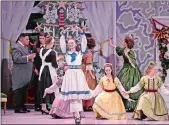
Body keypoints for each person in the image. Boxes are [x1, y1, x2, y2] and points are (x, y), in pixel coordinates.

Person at [59, 27, 92, 124]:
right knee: (73, 96)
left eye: (72, 43)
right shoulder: (66, 52)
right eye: (69, 43)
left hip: (78, 73)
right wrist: (63, 33)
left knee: (78, 95)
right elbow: (62, 44)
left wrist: (82, 33)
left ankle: (77, 112)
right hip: (70, 74)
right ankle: (76, 114)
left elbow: (84, 43)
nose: (70, 44)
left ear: (75, 44)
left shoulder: (80, 52)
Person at [108, 37, 143, 111]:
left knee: (128, 85)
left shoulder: (131, 51)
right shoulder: (124, 49)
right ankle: (122, 105)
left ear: (126, 43)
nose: (122, 42)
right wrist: (111, 44)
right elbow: (119, 49)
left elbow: (133, 62)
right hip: (125, 68)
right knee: (122, 85)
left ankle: (131, 105)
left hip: (131, 70)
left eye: (123, 41)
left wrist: (127, 55)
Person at [12, 33, 35, 113]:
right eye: (27, 39)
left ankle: (22, 106)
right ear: (21, 38)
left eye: (28, 39)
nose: (28, 41)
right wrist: (28, 57)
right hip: (19, 73)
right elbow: (16, 59)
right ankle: (18, 107)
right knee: (19, 90)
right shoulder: (16, 47)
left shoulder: (26, 47)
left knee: (24, 90)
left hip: (25, 73)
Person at [39, 37, 58, 114]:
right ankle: (50, 106)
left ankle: (43, 107)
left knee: (43, 87)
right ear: (50, 43)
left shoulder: (41, 51)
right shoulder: (52, 52)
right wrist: (58, 65)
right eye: (53, 43)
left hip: (43, 70)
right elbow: (54, 64)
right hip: (49, 71)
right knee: (50, 87)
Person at [33, 32, 47, 111]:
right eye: (40, 38)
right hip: (38, 68)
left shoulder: (49, 47)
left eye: (43, 38)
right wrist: (34, 68)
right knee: (38, 87)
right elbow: (33, 59)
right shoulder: (36, 47)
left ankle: (46, 105)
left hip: (46, 68)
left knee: (46, 86)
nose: (41, 40)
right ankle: (38, 105)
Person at [82, 37, 97, 111]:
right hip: (87, 71)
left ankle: (84, 104)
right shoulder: (89, 53)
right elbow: (88, 65)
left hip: (82, 70)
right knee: (90, 86)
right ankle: (88, 105)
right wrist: (92, 75)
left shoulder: (85, 52)